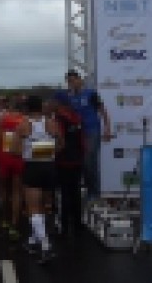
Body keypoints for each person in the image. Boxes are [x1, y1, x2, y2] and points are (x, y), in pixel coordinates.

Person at [59, 70, 111, 202]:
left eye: (74, 80)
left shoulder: (91, 94)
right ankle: (88, 191)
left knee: (90, 162)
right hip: (78, 134)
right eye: (69, 81)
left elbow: (103, 111)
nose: (72, 84)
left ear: (79, 80)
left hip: (92, 131)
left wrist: (107, 129)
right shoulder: (69, 97)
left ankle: (94, 192)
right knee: (81, 162)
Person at [21, 96, 60, 264]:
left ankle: (45, 247)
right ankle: (33, 239)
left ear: (27, 109)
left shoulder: (24, 124)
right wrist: (46, 148)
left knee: (33, 207)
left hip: (33, 167)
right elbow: (61, 144)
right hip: (49, 166)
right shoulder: (51, 123)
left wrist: (29, 148)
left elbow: (14, 149)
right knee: (44, 205)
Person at [0, 100, 27, 241]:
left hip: (4, 156)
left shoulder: (2, 118)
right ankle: (14, 225)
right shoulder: (25, 120)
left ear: (10, 108)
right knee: (17, 191)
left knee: (4, 189)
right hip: (18, 157)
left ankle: (4, 219)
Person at [53, 98, 85, 239]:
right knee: (76, 192)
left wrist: (50, 154)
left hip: (64, 161)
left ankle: (64, 227)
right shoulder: (77, 118)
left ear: (60, 104)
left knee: (64, 194)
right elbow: (82, 140)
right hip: (77, 160)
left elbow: (60, 142)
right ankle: (77, 224)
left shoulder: (59, 119)